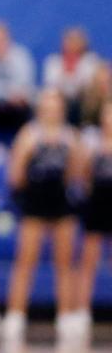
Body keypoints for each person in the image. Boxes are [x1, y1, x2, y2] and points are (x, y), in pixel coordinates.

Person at [2, 88, 79, 348]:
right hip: (34, 203)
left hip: (61, 204)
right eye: (47, 105)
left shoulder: (70, 136)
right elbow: (15, 175)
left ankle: (66, 316)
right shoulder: (29, 135)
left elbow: (76, 173)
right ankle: (15, 315)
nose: (51, 110)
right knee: (26, 261)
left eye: (55, 105)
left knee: (65, 262)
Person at [71, 98, 112, 346]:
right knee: (88, 260)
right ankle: (80, 312)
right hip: (97, 205)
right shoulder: (91, 144)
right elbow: (80, 175)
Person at [42, 26, 100, 126]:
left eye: (76, 40)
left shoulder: (90, 61)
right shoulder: (53, 62)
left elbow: (88, 86)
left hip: (83, 103)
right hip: (61, 100)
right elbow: (51, 85)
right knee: (51, 98)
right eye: (69, 40)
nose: (72, 44)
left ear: (83, 43)